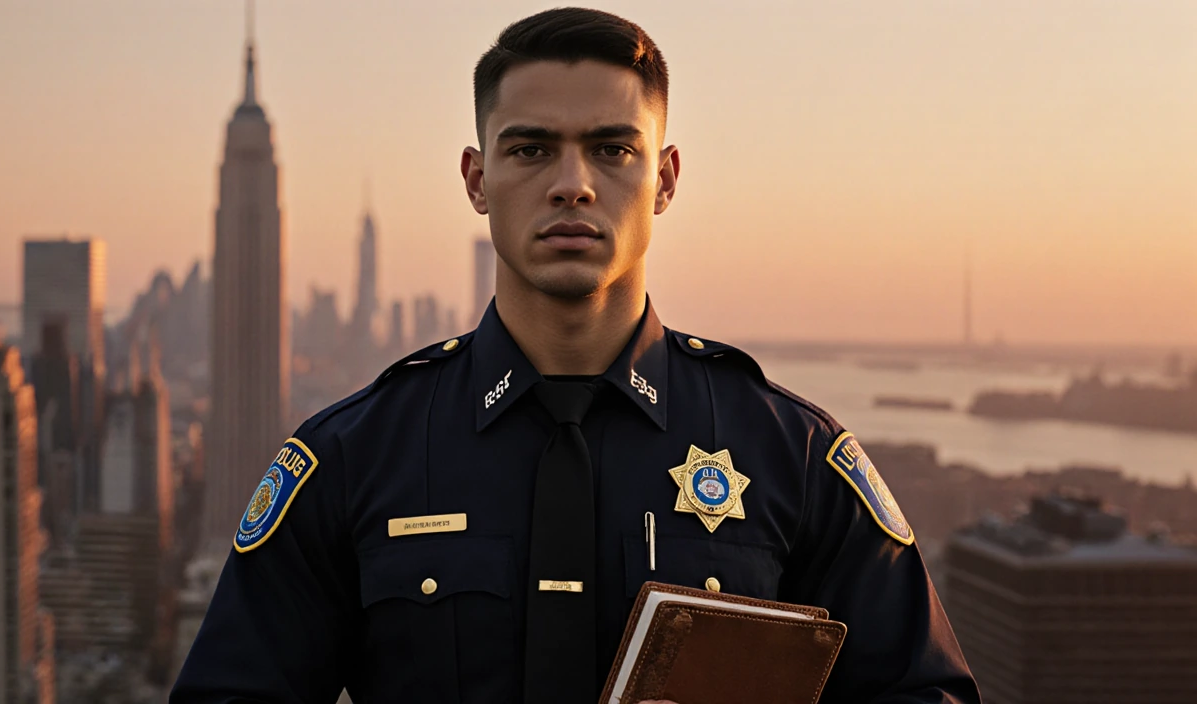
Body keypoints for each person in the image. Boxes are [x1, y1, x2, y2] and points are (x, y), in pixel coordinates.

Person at [172, 7, 980, 703]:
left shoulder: (791, 456)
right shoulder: (350, 457)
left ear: (664, 179)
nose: (572, 185)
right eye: (530, 150)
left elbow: (922, 691)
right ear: (477, 179)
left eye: (611, 150)